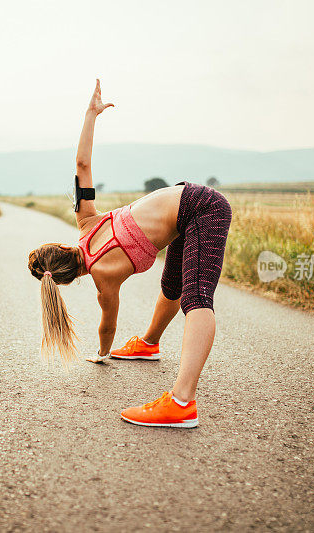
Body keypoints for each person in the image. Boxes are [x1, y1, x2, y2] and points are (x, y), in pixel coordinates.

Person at [27, 79, 232, 428]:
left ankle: (181, 402)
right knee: (173, 285)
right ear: (63, 247)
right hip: (190, 204)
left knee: (196, 296)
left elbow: (107, 326)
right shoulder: (85, 220)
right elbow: (81, 164)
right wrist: (91, 115)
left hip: (201, 208)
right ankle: (149, 343)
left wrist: (102, 353)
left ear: (64, 281)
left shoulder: (104, 281)